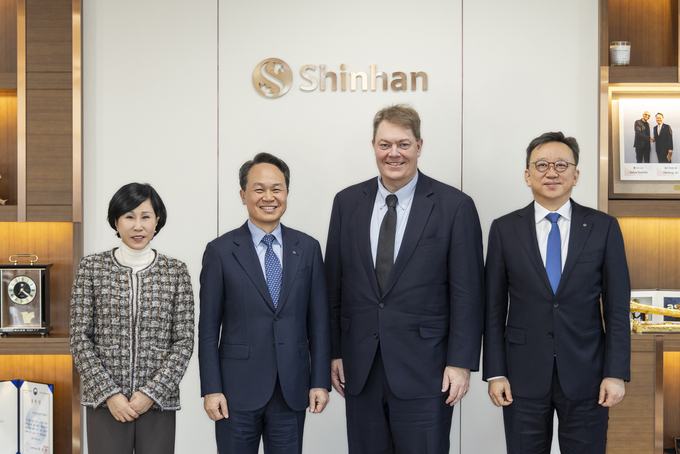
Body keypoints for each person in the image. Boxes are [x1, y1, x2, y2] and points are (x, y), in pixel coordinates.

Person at [325, 104, 484, 453]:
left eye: (403, 144)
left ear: (419, 146)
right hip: (360, 368)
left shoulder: (454, 206)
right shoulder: (346, 203)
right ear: (373, 146)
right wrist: (334, 352)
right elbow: (333, 287)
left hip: (427, 370)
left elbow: (468, 294)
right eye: (385, 144)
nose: (393, 153)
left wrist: (460, 362)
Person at [483, 132, 631, 454]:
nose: (552, 172)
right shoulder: (504, 229)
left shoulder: (603, 227)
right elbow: (492, 309)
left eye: (561, 165)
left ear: (575, 175)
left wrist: (616, 373)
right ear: (528, 175)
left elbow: (618, 308)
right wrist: (495, 372)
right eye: (542, 165)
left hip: (588, 375)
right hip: (521, 375)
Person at [198, 152, 330, 454]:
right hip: (235, 392)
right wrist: (211, 389)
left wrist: (320, 381)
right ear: (243, 195)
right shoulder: (220, 251)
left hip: (292, 389)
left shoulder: (308, 248)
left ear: (287, 193)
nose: (268, 197)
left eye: (276, 189)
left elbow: (319, 323)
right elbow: (208, 329)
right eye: (259, 189)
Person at [70, 183, 195, 454]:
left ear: (156, 221)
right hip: (105, 403)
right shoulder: (91, 268)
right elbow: (79, 338)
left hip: (158, 403)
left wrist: (152, 393)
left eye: (145, 217)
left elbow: (184, 341)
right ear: (115, 221)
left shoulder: (176, 271)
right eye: (129, 216)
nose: (138, 226)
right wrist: (109, 393)